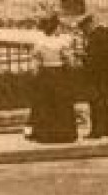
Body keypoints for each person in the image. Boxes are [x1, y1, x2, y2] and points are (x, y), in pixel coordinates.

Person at [27, 15, 78, 143]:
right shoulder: (61, 42)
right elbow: (69, 61)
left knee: (46, 103)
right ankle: (64, 133)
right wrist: (71, 66)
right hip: (59, 74)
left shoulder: (39, 42)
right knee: (61, 103)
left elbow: (35, 62)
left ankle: (45, 134)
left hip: (45, 74)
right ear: (55, 28)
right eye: (58, 27)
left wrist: (35, 74)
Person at [78, 13, 108, 139]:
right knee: (104, 102)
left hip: (96, 75)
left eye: (84, 29)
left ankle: (96, 131)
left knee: (95, 102)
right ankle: (105, 129)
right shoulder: (104, 33)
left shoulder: (95, 36)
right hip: (105, 74)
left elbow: (95, 58)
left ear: (89, 25)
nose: (84, 32)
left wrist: (83, 58)